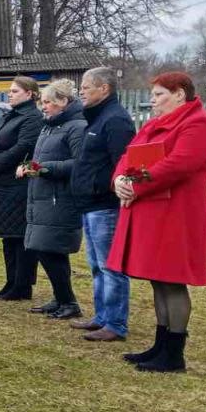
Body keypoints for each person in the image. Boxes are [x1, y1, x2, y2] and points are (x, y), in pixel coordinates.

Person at [110, 71, 206, 373]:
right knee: (157, 278)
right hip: (152, 211)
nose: (153, 100)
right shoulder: (154, 124)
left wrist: (134, 184)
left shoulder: (200, 124)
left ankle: (174, 353)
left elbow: (179, 164)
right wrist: (119, 179)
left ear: (180, 94)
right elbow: (128, 156)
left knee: (172, 280)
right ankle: (160, 344)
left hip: (177, 214)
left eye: (159, 95)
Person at [68, 67, 137, 342]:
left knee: (111, 266)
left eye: (86, 87)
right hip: (90, 204)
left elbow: (123, 164)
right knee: (96, 265)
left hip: (105, 205)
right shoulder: (97, 118)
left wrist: (105, 187)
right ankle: (101, 316)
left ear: (104, 89)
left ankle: (116, 324)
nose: (81, 91)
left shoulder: (116, 120)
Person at [18, 79, 86, 320]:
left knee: (49, 249)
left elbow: (79, 163)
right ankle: (60, 298)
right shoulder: (49, 127)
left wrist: (45, 168)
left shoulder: (77, 127)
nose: (43, 107)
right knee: (47, 250)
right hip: (43, 196)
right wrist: (32, 167)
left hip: (61, 199)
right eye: (42, 102)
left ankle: (69, 302)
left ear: (64, 102)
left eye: (48, 102)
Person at [0, 76, 43, 301]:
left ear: (29, 94)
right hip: (1, 184)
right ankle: (11, 281)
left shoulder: (32, 118)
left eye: (15, 91)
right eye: (10, 90)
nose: (10, 94)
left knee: (19, 235)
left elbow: (21, 148)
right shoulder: (9, 115)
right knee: (7, 235)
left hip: (18, 184)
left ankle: (22, 285)